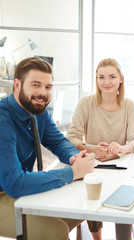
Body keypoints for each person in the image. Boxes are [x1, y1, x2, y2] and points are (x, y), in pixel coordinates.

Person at [0, 57, 95, 240]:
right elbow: (15, 184)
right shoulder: (3, 119)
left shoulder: (37, 110)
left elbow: (58, 142)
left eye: (48, 87)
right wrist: (72, 173)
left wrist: (76, 157)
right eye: (35, 85)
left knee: (79, 211)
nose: (42, 93)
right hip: (4, 191)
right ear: (17, 84)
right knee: (54, 231)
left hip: (20, 187)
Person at [67, 58, 134, 240]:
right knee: (93, 203)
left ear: (121, 79)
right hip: (93, 167)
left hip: (122, 168)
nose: (106, 82)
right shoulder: (85, 103)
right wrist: (91, 148)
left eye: (112, 77)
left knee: (123, 208)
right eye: (101, 77)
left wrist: (123, 148)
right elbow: (72, 136)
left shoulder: (129, 105)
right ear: (96, 79)